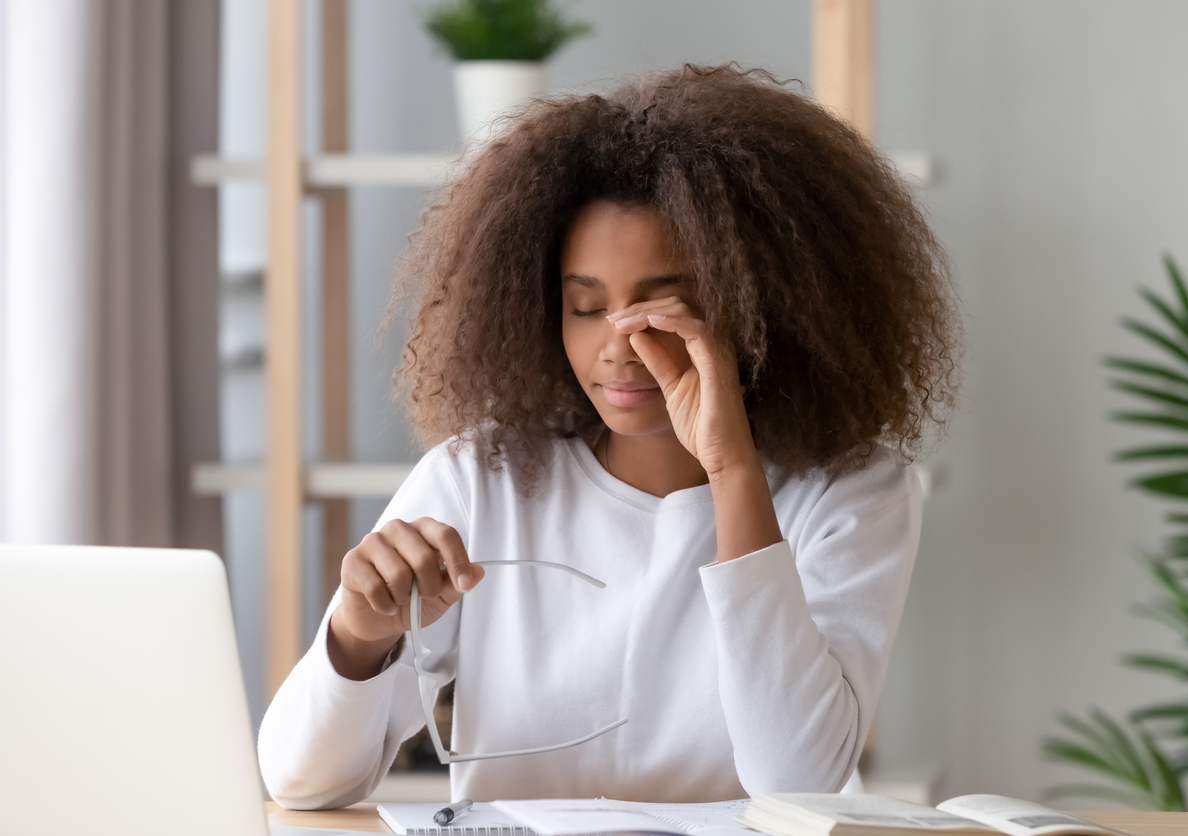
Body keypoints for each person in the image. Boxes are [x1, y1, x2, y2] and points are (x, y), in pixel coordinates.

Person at [258, 64, 960, 809]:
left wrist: (731, 469)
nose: (617, 347)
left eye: (662, 308)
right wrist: (359, 635)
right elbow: (302, 784)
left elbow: (796, 784)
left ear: (762, 310)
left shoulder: (850, 491)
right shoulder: (480, 479)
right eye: (586, 308)